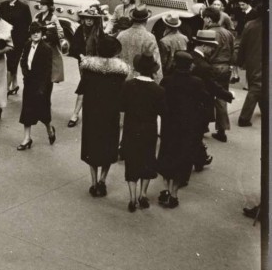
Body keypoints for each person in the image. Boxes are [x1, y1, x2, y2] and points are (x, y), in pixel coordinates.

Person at [77, 35, 129, 198]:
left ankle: (93, 183)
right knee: (108, 146)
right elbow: (122, 96)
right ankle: (102, 180)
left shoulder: (88, 68)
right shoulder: (120, 72)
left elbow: (81, 90)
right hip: (110, 114)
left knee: (91, 146)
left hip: (92, 112)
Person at [157, 51, 209, 209]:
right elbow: (204, 101)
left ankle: (166, 190)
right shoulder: (197, 82)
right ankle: (174, 193)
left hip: (169, 125)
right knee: (181, 158)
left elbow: (161, 102)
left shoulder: (167, 81)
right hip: (187, 126)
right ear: (190, 66)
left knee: (167, 155)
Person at [120, 53, 166, 212]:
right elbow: (162, 111)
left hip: (131, 128)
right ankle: (143, 194)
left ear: (138, 69)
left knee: (131, 161)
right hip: (149, 130)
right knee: (147, 160)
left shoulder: (128, 85)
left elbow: (122, 107)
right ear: (153, 71)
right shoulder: (159, 90)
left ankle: (132, 197)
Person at [190, 29, 234, 171]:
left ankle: (201, 158)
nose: (213, 50)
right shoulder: (205, 66)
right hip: (200, 105)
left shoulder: (189, 57)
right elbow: (212, 86)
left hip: (186, 103)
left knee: (192, 134)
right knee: (196, 134)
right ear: (204, 46)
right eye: (211, 47)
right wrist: (228, 95)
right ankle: (199, 160)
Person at [17, 22, 56, 150]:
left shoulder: (46, 48)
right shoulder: (27, 44)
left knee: (43, 112)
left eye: (38, 32)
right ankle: (27, 138)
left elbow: (47, 71)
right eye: (33, 32)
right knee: (27, 110)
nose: (35, 34)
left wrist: (42, 88)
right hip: (29, 82)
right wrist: (25, 74)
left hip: (42, 85)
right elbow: (23, 60)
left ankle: (50, 129)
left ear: (42, 33)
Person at [202, 7, 236, 142]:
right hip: (225, 68)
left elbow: (206, 52)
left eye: (205, 18)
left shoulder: (208, 33)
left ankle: (203, 126)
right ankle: (222, 130)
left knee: (206, 97)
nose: (204, 20)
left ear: (209, 19)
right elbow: (233, 51)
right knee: (222, 97)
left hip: (212, 67)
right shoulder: (228, 33)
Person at [67, 7, 104, 127]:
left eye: (91, 19)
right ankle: (76, 114)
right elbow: (74, 47)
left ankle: (79, 114)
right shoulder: (80, 30)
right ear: (83, 19)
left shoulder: (98, 31)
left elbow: (103, 47)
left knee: (90, 87)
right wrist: (81, 56)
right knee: (84, 86)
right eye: (87, 18)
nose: (89, 20)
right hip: (83, 63)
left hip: (96, 63)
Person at [116, 4, 163, 83]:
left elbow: (115, 57)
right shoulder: (149, 37)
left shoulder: (121, 35)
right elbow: (156, 62)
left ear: (132, 18)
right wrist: (157, 83)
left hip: (121, 78)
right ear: (146, 20)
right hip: (139, 81)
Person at [0, 0, 32, 95]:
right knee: (11, 62)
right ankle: (14, 84)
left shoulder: (24, 7)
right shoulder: (3, 5)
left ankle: (6, 88)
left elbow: (28, 23)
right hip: (5, 39)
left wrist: (24, 39)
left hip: (18, 40)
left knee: (12, 63)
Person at [236, 7, 263, 127]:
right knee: (257, 87)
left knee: (257, 86)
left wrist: (240, 61)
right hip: (262, 61)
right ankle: (244, 118)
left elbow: (242, 45)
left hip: (252, 61)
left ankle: (264, 109)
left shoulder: (250, 25)